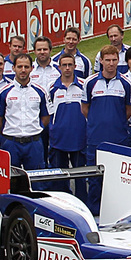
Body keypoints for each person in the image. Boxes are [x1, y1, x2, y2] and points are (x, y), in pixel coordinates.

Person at [82, 47, 131, 212]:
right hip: (95, 140)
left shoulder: (126, 83)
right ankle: (95, 213)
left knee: (117, 180)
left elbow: (128, 111)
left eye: (114, 60)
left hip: (118, 140)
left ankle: (116, 212)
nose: (111, 64)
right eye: (107, 60)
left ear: (119, 61)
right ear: (101, 61)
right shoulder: (90, 83)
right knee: (95, 180)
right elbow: (85, 109)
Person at [0, 53, 51, 185]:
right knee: (10, 182)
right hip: (11, 143)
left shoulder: (40, 91)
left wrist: (36, 130)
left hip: (34, 142)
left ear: (31, 68)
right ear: (13, 68)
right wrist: (9, 132)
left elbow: (46, 116)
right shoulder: (3, 91)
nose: (23, 70)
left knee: (37, 183)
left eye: (26, 66)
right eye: (19, 66)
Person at [47, 52, 89, 195]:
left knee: (80, 175)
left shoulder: (84, 85)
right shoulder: (52, 87)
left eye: (70, 65)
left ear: (75, 66)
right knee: (60, 175)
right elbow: (48, 112)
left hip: (79, 138)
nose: (67, 68)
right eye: (64, 65)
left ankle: (83, 202)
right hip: (59, 138)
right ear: (59, 67)